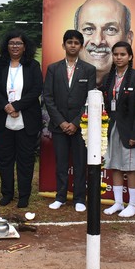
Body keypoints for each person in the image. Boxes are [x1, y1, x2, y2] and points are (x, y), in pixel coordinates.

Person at [0, 30, 43, 209]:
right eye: (12, 43)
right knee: (5, 159)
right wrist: (6, 106)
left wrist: (17, 106)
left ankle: (24, 196)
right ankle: (7, 193)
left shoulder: (33, 65)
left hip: (26, 119)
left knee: (25, 160)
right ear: (6, 46)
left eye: (18, 43)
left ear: (25, 46)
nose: (15, 46)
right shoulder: (0, 64)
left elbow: (36, 89)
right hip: (3, 118)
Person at [43, 29, 97, 212]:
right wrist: (61, 122)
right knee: (62, 162)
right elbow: (48, 98)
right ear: (64, 45)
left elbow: (90, 99)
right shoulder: (53, 68)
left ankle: (80, 198)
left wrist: (75, 122)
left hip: (79, 126)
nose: (73, 45)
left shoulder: (89, 70)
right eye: (69, 42)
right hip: (59, 126)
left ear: (81, 46)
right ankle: (60, 196)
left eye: (76, 43)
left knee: (81, 163)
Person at [101, 41, 135, 218]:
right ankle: (118, 203)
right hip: (113, 128)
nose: (119, 58)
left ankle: (132, 204)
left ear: (130, 56)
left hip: (129, 130)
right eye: (116, 54)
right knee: (115, 166)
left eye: (122, 54)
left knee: (131, 167)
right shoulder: (108, 78)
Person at [74, 0, 133, 86]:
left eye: (110, 29)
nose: (97, 41)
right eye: (88, 29)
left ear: (128, 39)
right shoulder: (61, 77)